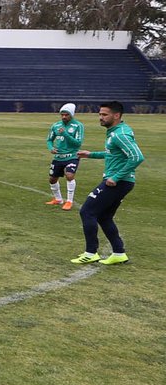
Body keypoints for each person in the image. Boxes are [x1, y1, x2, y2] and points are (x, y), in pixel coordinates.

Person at [73, 101, 143, 265]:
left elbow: (137, 157)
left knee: (87, 211)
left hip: (118, 182)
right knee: (104, 216)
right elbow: (113, 154)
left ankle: (91, 253)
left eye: (104, 115)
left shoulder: (120, 135)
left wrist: (116, 177)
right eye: (100, 114)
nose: (101, 117)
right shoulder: (116, 131)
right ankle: (119, 253)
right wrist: (90, 154)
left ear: (116, 115)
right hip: (121, 181)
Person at [46, 103, 83, 210]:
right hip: (58, 157)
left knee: (69, 175)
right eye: (62, 114)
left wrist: (65, 134)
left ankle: (69, 201)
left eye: (66, 115)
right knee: (52, 179)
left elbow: (77, 143)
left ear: (71, 115)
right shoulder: (56, 126)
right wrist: (51, 148)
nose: (64, 117)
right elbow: (49, 140)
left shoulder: (78, 126)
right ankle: (58, 199)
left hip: (72, 156)